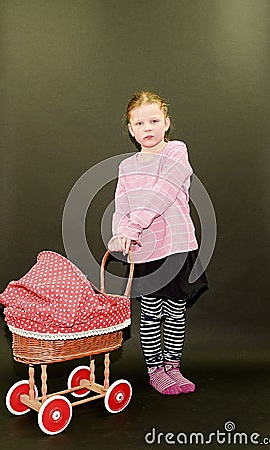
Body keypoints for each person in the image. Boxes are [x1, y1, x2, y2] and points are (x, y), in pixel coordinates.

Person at [108, 91, 208, 395]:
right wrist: (121, 233)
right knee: (151, 311)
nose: (147, 127)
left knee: (176, 310)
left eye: (154, 120)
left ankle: (173, 367)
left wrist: (134, 225)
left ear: (166, 123)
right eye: (140, 122)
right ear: (130, 129)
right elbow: (121, 206)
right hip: (146, 250)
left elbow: (162, 193)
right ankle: (155, 370)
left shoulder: (176, 152)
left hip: (177, 246)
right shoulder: (126, 167)